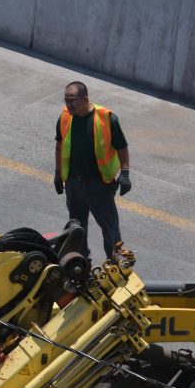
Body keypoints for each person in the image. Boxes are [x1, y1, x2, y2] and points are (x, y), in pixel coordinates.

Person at [53, 83, 132, 261]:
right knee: (77, 228)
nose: (69, 105)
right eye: (66, 100)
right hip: (74, 184)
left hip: (99, 185)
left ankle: (116, 264)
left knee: (110, 228)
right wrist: (58, 174)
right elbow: (59, 146)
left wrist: (125, 173)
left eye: (73, 101)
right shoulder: (65, 117)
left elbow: (122, 147)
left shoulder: (106, 118)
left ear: (85, 99)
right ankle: (81, 265)